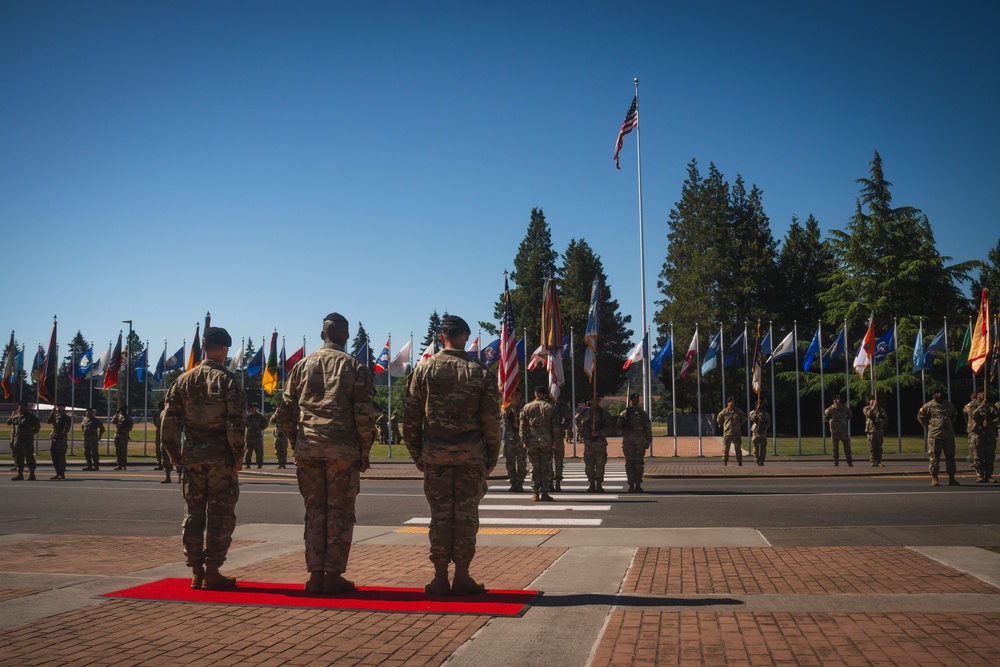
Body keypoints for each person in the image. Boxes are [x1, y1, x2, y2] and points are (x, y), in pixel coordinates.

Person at [275, 313, 374, 595]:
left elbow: (284, 413)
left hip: (309, 449)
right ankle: (333, 575)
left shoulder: (302, 367)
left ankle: (315, 575)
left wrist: (298, 442)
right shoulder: (354, 367)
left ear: (322, 335)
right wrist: (364, 451)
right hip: (343, 451)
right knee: (340, 514)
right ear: (345, 336)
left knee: (315, 512)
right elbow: (364, 415)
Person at [403, 315, 500, 596]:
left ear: (441, 336)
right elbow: (491, 421)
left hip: (435, 455)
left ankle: (439, 578)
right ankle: (462, 576)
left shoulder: (425, 370)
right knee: (466, 517)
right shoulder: (480, 372)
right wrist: (491, 458)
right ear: (466, 336)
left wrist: (416, 453)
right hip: (471, 457)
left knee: (441, 516)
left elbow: (411, 417)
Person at [162, 326, 247, 590]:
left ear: (204, 349)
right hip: (221, 459)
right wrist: (237, 456)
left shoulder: (183, 380)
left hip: (193, 457)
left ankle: (196, 571)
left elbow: (168, 422)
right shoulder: (229, 381)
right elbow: (235, 425)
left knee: (194, 513)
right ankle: (212, 570)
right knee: (220, 514)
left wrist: (173, 452)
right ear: (223, 350)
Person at [519, 385, 558, 502]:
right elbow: (555, 427)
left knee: (534, 467)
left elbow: (523, 426)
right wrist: (555, 440)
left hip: (532, 441)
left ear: (535, 394)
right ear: (545, 395)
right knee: (546, 467)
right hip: (546, 441)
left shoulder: (527, 407)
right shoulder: (550, 407)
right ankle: (545, 492)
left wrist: (524, 440)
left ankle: (535, 492)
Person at [917, 387, 959, 487]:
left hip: (948, 435)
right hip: (935, 436)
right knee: (934, 458)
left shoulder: (948, 405)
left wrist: (949, 425)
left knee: (950, 457)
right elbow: (921, 417)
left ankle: (952, 478)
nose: (939, 394)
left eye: (941, 392)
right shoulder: (928, 405)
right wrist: (929, 427)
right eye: (937, 393)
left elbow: (954, 415)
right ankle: (934, 478)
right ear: (933, 395)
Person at [618, 393, 652, 492]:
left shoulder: (643, 414)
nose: (635, 402)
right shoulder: (624, 414)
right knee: (629, 464)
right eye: (633, 400)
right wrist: (623, 432)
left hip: (640, 443)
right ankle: (631, 484)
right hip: (628, 443)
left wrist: (649, 441)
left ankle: (638, 484)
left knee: (639, 464)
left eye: (637, 400)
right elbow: (618, 427)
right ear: (630, 401)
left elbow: (647, 428)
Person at [578, 398, 611, 492]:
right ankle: (591, 484)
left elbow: (608, 427)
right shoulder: (586, 412)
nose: (595, 401)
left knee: (600, 464)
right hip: (589, 443)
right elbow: (579, 419)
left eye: (597, 399)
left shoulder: (604, 413)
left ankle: (599, 484)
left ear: (599, 400)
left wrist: (599, 433)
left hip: (600, 443)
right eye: (593, 400)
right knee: (589, 465)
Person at [502, 387, 526, 492]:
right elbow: (503, 415)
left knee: (521, 462)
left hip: (521, 439)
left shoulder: (525, 407)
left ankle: (520, 483)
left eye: (516, 394)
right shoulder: (506, 407)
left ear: (520, 395)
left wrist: (519, 424)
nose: (514, 396)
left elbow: (528, 420)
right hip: (509, 439)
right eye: (512, 394)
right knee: (510, 463)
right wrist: (511, 405)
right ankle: (512, 482)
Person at [970, 391, 998, 483]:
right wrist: (981, 406)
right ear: (977, 394)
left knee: (990, 455)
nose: (983, 394)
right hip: (978, 433)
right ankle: (980, 475)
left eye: (984, 392)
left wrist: (990, 423)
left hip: (989, 433)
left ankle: (989, 475)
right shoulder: (972, 404)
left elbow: (998, 417)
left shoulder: (992, 406)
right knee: (978, 456)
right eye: (980, 392)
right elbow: (972, 415)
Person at [8, 401, 40, 481]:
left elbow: (37, 427)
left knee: (29, 458)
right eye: (19, 406)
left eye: (22, 405)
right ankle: (20, 474)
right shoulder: (15, 417)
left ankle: (32, 474)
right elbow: (9, 424)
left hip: (27, 442)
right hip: (17, 441)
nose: (20, 407)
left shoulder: (31, 417)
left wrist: (30, 434)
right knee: (18, 458)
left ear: (26, 407)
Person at [823, 394, 853, 467]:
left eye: (839, 399)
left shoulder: (844, 408)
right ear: (833, 401)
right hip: (835, 431)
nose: (838, 400)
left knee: (847, 447)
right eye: (836, 399)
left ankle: (849, 462)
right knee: (835, 448)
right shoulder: (830, 409)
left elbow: (850, 414)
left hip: (843, 431)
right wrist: (830, 421)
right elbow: (825, 417)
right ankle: (835, 461)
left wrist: (845, 420)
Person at [716, 397, 747, 466]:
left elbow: (744, 418)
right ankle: (725, 462)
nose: (732, 403)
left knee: (738, 449)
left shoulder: (738, 411)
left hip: (736, 433)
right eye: (730, 402)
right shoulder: (724, 412)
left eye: (733, 401)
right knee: (725, 449)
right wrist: (725, 426)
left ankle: (740, 462)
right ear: (727, 403)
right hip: (727, 433)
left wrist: (738, 425)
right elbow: (719, 420)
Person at [46, 404, 71, 480]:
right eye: (58, 407)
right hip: (53, 439)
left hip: (61, 440)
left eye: (61, 407)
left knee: (61, 457)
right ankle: (57, 473)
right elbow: (48, 421)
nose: (59, 408)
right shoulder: (55, 416)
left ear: (64, 408)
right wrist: (52, 413)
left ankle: (62, 473)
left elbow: (66, 428)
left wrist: (59, 435)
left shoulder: (66, 418)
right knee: (54, 456)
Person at [863, 396, 888, 467]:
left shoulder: (880, 409)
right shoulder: (866, 408)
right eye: (872, 400)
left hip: (879, 430)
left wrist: (880, 421)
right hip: (870, 430)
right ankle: (872, 461)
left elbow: (885, 419)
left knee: (879, 447)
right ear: (869, 401)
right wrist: (873, 407)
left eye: (875, 400)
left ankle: (879, 461)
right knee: (872, 447)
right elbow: (868, 414)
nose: (874, 401)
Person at [244, 404, 269, 469]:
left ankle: (259, 464)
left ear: (256, 409)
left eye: (254, 408)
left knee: (259, 451)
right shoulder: (247, 417)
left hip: (257, 437)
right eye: (251, 408)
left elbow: (266, 423)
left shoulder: (260, 417)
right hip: (249, 436)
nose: (253, 409)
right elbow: (244, 424)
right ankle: (247, 464)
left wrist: (260, 428)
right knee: (248, 451)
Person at [111, 405, 133, 470]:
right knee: (117, 451)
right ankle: (119, 464)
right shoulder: (118, 416)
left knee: (123, 451)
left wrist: (123, 430)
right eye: (122, 409)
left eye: (124, 409)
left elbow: (130, 427)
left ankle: (124, 465)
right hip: (117, 435)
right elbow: (113, 422)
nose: (123, 410)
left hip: (123, 436)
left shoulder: (128, 418)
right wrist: (116, 413)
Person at [963, 392, 980, 474]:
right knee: (972, 445)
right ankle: (974, 461)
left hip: (980, 430)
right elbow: (969, 415)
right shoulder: (970, 405)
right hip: (972, 429)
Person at [748, 402, 771, 466]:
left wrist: (763, 428)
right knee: (755, 448)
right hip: (755, 432)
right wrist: (756, 411)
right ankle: (757, 460)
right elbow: (752, 418)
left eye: (761, 404)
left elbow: (768, 424)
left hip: (763, 432)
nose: (759, 406)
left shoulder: (766, 414)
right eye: (758, 404)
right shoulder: (752, 412)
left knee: (763, 448)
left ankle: (762, 461)